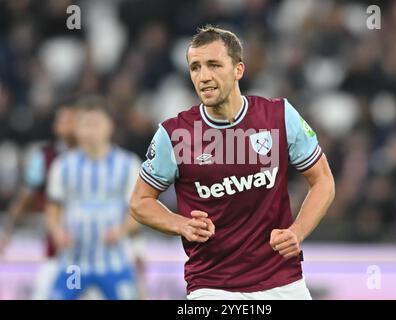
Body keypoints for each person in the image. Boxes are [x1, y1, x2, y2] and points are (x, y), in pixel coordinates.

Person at [129, 26, 335, 300]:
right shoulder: (175, 134)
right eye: (195, 67)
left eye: (213, 65)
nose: (203, 77)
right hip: (212, 287)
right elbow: (139, 201)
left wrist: (297, 232)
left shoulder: (278, 116)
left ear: (238, 70)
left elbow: (323, 181)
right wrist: (181, 224)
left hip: (283, 282)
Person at [46, 97, 142, 299]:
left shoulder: (128, 164)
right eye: (85, 124)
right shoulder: (63, 166)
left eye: (96, 124)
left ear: (110, 126)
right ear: (77, 129)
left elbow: (140, 210)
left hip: (113, 263)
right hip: (74, 264)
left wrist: (122, 230)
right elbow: (53, 206)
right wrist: (57, 232)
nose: (91, 131)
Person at [0, 103, 78, 299]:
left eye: (70, 120)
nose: (65, 124)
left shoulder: (98, 159)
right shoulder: (45, 157)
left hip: (93, 254)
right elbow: (27, 196)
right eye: (61, 120)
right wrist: (7, 229)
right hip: (57, 251)